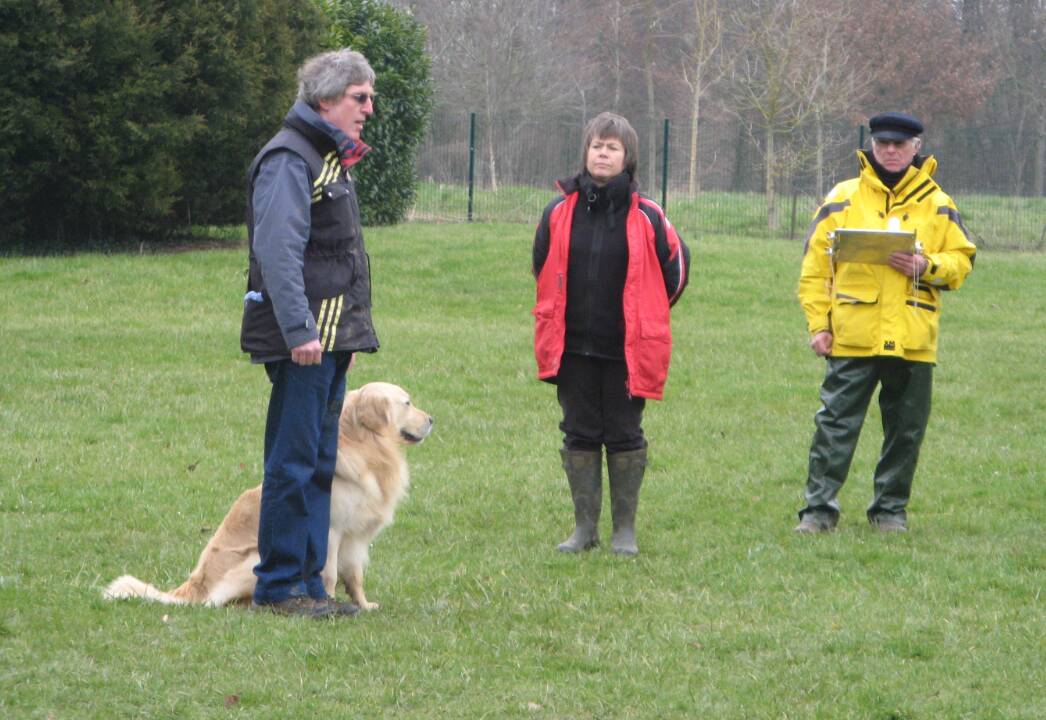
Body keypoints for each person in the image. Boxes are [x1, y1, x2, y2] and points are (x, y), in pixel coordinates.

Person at [240, 49, 380, 616]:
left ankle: (309, 583)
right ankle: (278, 587)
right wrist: (299, 329)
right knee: (293, 462)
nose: (369, 108)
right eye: (359, 97)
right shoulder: (289, 158)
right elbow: (278, 250)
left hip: (330, 338)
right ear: (326, 100)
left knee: (320, 462)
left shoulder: (327, 157)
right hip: (305, 340)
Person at [795, 112, 976, 534]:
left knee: (905, 432)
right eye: (883, 144)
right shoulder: (842, 198)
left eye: (900, 144)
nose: (891, 151)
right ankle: (818, 511)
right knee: (834, 426)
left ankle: (890, 510)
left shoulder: (939, 203)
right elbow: (814, 269)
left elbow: (962, 261)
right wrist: (818, 325)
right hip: (852, 335)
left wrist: (926, 264)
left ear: (917, 147)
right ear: (871, 146)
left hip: (913, 337)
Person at [532, 112, 690, 556]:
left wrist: (646, 316)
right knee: (578, 431)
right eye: (597, 146)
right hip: (573, 347)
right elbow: (542, 267)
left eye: (612, 147)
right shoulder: (557, 212)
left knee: (623, 432)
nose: (603, 153)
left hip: (627, 349)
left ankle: (625, 530)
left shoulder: (649, 216)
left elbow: (674, 275)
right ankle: (584, 530)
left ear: (628, 158)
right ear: (585, 152)